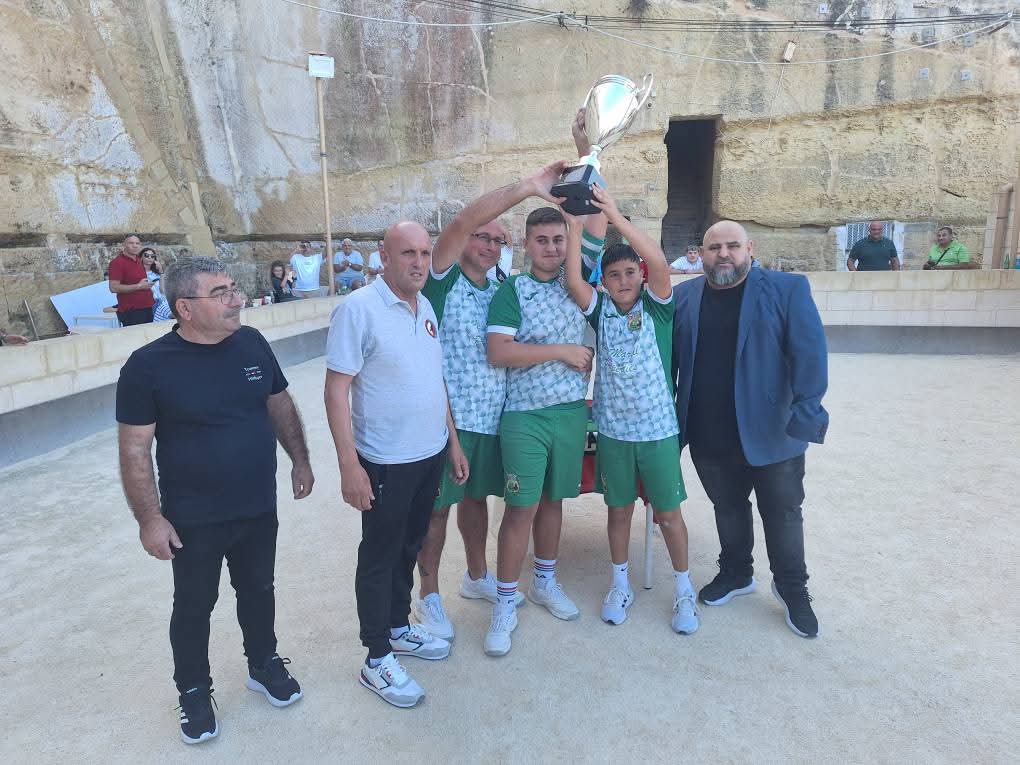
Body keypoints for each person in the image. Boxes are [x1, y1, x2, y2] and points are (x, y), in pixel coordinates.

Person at [116, 257, 313, 744]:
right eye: (220, 293)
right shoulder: (147, 366)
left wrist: (300, 460)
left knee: (258, 588)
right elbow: (135, 449)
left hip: (257, 503)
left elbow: (279, 403)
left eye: (234, 289)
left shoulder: (252, 343)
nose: (235, 300)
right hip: (194, 516)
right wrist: (150, 519)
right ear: (184, 308)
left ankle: (263, 663)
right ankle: (193, 690)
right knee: (194, 604)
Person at [412, 163, 567, 641]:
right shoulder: (441, 279)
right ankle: (428, 596)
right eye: (483, 237)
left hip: (494, 418)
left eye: (499, 241)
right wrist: (527, 188)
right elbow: (463, 221)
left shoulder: (502, 287)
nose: (490, 245)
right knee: (436, 511)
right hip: (447, 420)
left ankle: (477, 576)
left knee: (476, 500)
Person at [324, 221, 469, 709]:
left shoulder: (425, 306)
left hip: (428, 454)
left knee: (410, 545)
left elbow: (434, 380)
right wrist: (349, 465)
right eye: (408, 253)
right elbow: (336, 391)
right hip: (385, 460)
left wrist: (453, 443)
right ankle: (376, 656)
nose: (419, 262)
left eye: (425, 253)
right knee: (379, 555)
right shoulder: (358, 309)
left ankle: (397, 627)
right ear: (383, 257)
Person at [672, 221, 828, 639]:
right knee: (727, 506)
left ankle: (792, 588)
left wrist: (807, 413)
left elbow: (810, 354)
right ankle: (737, 572)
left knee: (782, 512)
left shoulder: (787, 289)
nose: (723, 254)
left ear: (749, 248)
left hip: (773, 431)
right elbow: (669, 362)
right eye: (714, 247)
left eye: (732, 246)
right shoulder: (685, 297)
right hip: (708, 428)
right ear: (701, 253)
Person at [563, 186, 698, 634]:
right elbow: (574, 283)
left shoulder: (656, 307)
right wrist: (575, 227)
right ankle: (619, 583)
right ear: (605, 281)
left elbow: (658, 261)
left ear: (640, 277)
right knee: (618, 510)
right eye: (614, 275)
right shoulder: (600, 309)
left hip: (657, 431)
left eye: (629, 273)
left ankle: (683, 590)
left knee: (668, 513)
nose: (623, 281)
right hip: (615, 432)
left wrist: (616, 217)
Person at [108, 234, 155, 326]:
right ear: (124, 244)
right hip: (132, 311)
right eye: (131, 243)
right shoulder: (117, 263)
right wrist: (139, 286)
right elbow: (113, 288)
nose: (135, 245)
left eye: (137, 243)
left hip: (147, 307)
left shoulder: (138, 260)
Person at [141, 248, 173, 321]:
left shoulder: (157, 273)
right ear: (141, 257)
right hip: (150, 302)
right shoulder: (138, 273)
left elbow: (163, 290)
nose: (150, 258)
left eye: (152, 256)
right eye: (146, 255)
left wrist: (161, 271)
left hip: (162, 301)